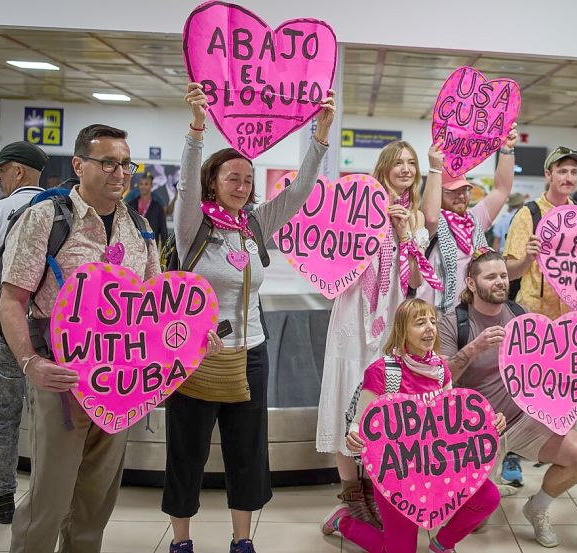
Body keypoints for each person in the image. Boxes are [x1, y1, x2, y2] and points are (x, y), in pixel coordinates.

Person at [161, 84, 335, 553]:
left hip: (251, 353)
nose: (242, 187)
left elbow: (299, 192)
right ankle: (181, 541)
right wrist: (197, 128)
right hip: (195, 355)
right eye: (232, 178)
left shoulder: (255, 224)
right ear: (212, 182)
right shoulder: (193, 225)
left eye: (248, 179)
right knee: (188, 451)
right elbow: (183, 183)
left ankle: (242, 540)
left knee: (248, 452)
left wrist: (320, 137)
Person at [0, 124, 162, 552]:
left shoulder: (139, 226)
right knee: (48, 502)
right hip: (62, 379)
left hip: (120, 382)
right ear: (79, 164)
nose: (119, 173)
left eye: (126, 163)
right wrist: (30, 363)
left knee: (95, 502)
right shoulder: (47, 218)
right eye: (107, 162)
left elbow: (157, 306)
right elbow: (12, 299)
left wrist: (189, 341)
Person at [440, 249, 577, 548]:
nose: (500, 282)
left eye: (503, 275)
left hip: (523, 420)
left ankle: (537, 507)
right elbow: (440, 378)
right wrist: (473, 349)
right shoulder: (454, 323)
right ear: (471, 283)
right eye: (490, 277)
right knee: (476, 525)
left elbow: (556, 359)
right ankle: (488, 481)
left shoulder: (522, 316)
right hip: (475, 430)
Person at [316, 137, 443, 527]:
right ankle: (352, 492)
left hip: (391, 314)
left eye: (411, 163)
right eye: (398, 162)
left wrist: (404, 233)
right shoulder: (358, 206)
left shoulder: (417, 219)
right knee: (347, 391)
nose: (405, 168)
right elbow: (330, 252)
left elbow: (417, 280)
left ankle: (375, 487)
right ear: (385, 165)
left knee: (383, 398)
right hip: (353, 310)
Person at [324, 298, 503, 553]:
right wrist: (354, 435)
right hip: (395, 473)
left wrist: (488, 424)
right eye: (420, 323)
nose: (430, 328)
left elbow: (453, 423)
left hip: (436, 465)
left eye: (432, 321)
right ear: (401, 330)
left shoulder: (441, 369)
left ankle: (441, 545)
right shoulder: (383, 371)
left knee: (488, 497)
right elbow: (359, 424)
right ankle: (342, 521)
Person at [0, 141, 48, 524]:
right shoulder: (60, 208)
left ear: (18, 172)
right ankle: (44, 496)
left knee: (5, 416)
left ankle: (3, 497)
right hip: (46, 331)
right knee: (48, 419)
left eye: (2, 169)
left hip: (3, 327)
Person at [417, 127, 517, 314]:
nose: (461, 196)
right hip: (434, 317)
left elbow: (501, 190)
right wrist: (435, 168)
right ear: (438, 192)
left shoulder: (474, 219)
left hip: (470, 317)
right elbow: (430, 215)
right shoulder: (428, 222)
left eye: (464, 190)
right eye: (452, 191)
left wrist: (507, 150)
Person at [504, 146, 577, 319]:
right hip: (533, 318)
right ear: (548, 174)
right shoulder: (528, 214)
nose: (569, 178)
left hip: (572, 318)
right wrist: (527, 259)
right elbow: (509, 272)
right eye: (562, 172)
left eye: (573, 172)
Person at [127, 171, 169, 247]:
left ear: (151, 186)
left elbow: (163, 231)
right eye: (141, 184)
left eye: (146, 184)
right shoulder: (131, 205)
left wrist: (164, 253)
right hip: (134, 246)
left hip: (151, 246)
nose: (143, 187)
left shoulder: (158, 207)